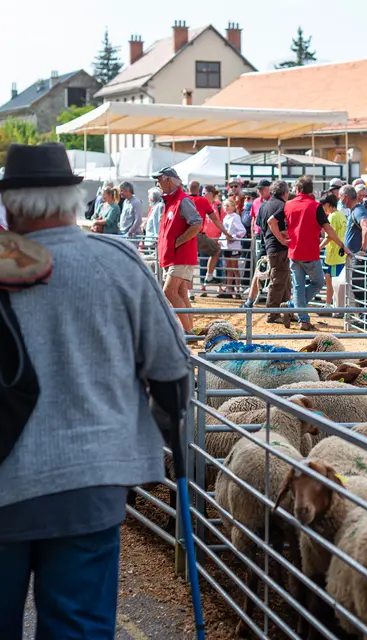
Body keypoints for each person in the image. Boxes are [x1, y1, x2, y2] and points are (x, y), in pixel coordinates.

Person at [0, 142, 189, 639]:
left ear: (13, 205)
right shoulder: (117, 262)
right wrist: (168, 434)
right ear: (72, 199)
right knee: (79, 626)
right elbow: (171, 371)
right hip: (90, 477)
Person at [268, 175, 350, 331]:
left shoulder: (289, 205)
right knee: (318, 282)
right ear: (310, 190)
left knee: (298, 286)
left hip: (293, 252)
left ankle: (296, 311)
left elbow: (271, 222)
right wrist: (342, 245)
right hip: (311, 253)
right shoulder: (315, 206)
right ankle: (299, 314)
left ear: (298, 190)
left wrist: (280, 239)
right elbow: (328, 230)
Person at [152, 166, 202, 333]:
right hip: (177, 255)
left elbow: (197, 224)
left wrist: (178, 242)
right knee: (180, 292)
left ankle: (188, 332)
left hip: (180, 255)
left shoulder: (182, 200)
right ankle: (190, 329)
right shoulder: (172, 200)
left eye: (159, 180)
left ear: (168, 180)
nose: (157, 183)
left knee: (170, 291)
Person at [256, 180, 292, 324]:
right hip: (280, 247)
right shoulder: (283, 206)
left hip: (269, 246)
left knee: (284, 280)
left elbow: (259, 226)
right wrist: (285, 239)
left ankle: (285, 312)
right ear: (284, 193)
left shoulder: (264, 205)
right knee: (278, 280)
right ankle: (272, 313)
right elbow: (283, 230)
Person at [319, 193, 347, 316]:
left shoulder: (332, 217)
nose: (322, 208)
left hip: (335, 255)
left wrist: (318, 247)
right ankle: (329, 305)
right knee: (330, 280)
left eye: (323, 205)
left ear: (328, 205)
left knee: (334, 282)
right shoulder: (341, 215)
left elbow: (330, 236)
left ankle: (337, 309)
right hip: (336, 255)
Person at [217, 198, 246, 300]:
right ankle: (229, 289)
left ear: (233, 207)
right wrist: (221, 239)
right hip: (226, 246)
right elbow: (224, 231)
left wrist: (233, 237)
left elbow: (242, 230)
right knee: (228, 268)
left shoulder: (235, 217)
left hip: (233, 246)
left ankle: (238, 289)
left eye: (228, 206)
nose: (226, 208)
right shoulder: (226, 218)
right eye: (225, 206)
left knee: (234, 267)